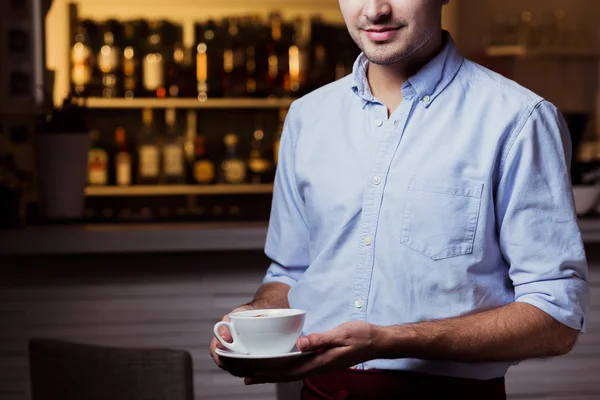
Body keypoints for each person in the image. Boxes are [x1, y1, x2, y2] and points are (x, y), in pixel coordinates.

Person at [210, 0, 590, 398]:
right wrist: (256, 314)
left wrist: (393, 340)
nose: (375, 10)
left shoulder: (519, 119)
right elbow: (290, 273)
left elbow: (555, 318)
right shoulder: (307, 116)